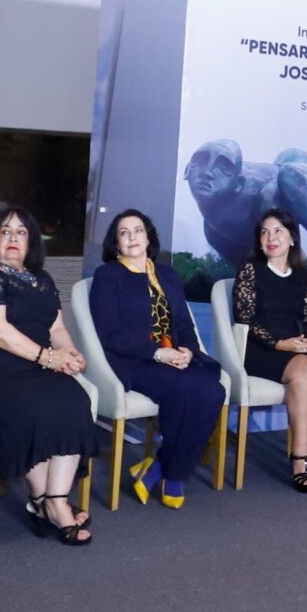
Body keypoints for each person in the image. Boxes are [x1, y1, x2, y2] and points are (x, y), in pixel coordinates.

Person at [0, 208, 101, 543]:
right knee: (35, 408)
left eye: (21, 232)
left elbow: (56, 328)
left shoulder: (41, 279)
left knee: (74, 398)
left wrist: (70, 354)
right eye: (5, 231)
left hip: (32, 365)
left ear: (31, 242)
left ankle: (52, 501)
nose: (13, 238)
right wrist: (49, 358)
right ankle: (49, 503)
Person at [87, 208, 226, 507]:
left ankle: (159, 467)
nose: (132, 237)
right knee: (183, 389)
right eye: (124, 233)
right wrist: (158, 352)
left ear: (148, 237)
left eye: (138, 230)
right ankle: (174, 477)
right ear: (116, 242)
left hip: (174, 355)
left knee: (214, 391)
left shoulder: (167, 275)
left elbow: (183, 322)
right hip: (135, 360)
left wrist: (188, 350)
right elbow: (110, 333)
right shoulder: (107, 276)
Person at [230, 208, 307, 490]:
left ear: (292, 238)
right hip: (260, 348)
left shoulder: (305, 276)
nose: (271, 238)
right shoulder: (250, 271)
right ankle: (299, 455)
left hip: (295, 346)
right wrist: (279, 343)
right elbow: (245, 320)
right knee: (306, 368)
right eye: (264, 232)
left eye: (278, 231)